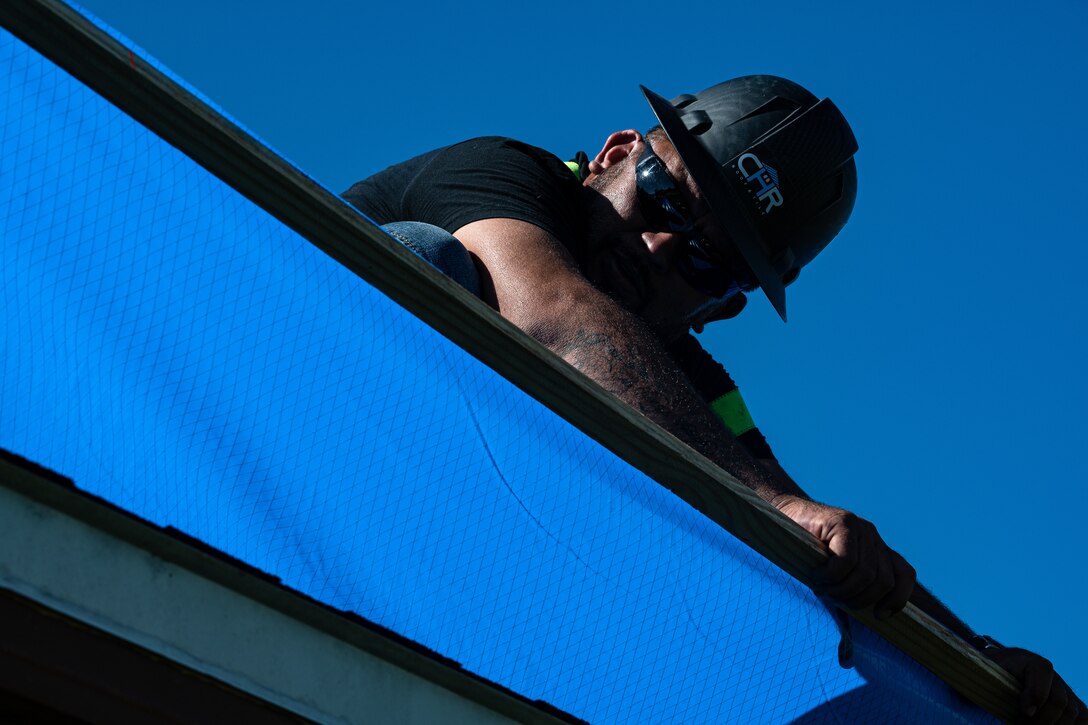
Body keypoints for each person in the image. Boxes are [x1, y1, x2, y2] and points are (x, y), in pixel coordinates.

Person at [343, 76, 1083, 723]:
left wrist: (977, 660)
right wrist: (776, 505)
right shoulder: (507, 175)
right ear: (614, 153)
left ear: (722, 308)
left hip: (440, 563)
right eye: (663, 198)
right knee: (433, 259)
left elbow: (805, 527)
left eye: (708, 261)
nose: (660, 248)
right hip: (296, 426)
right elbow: (555, 318)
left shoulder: (691, 384)